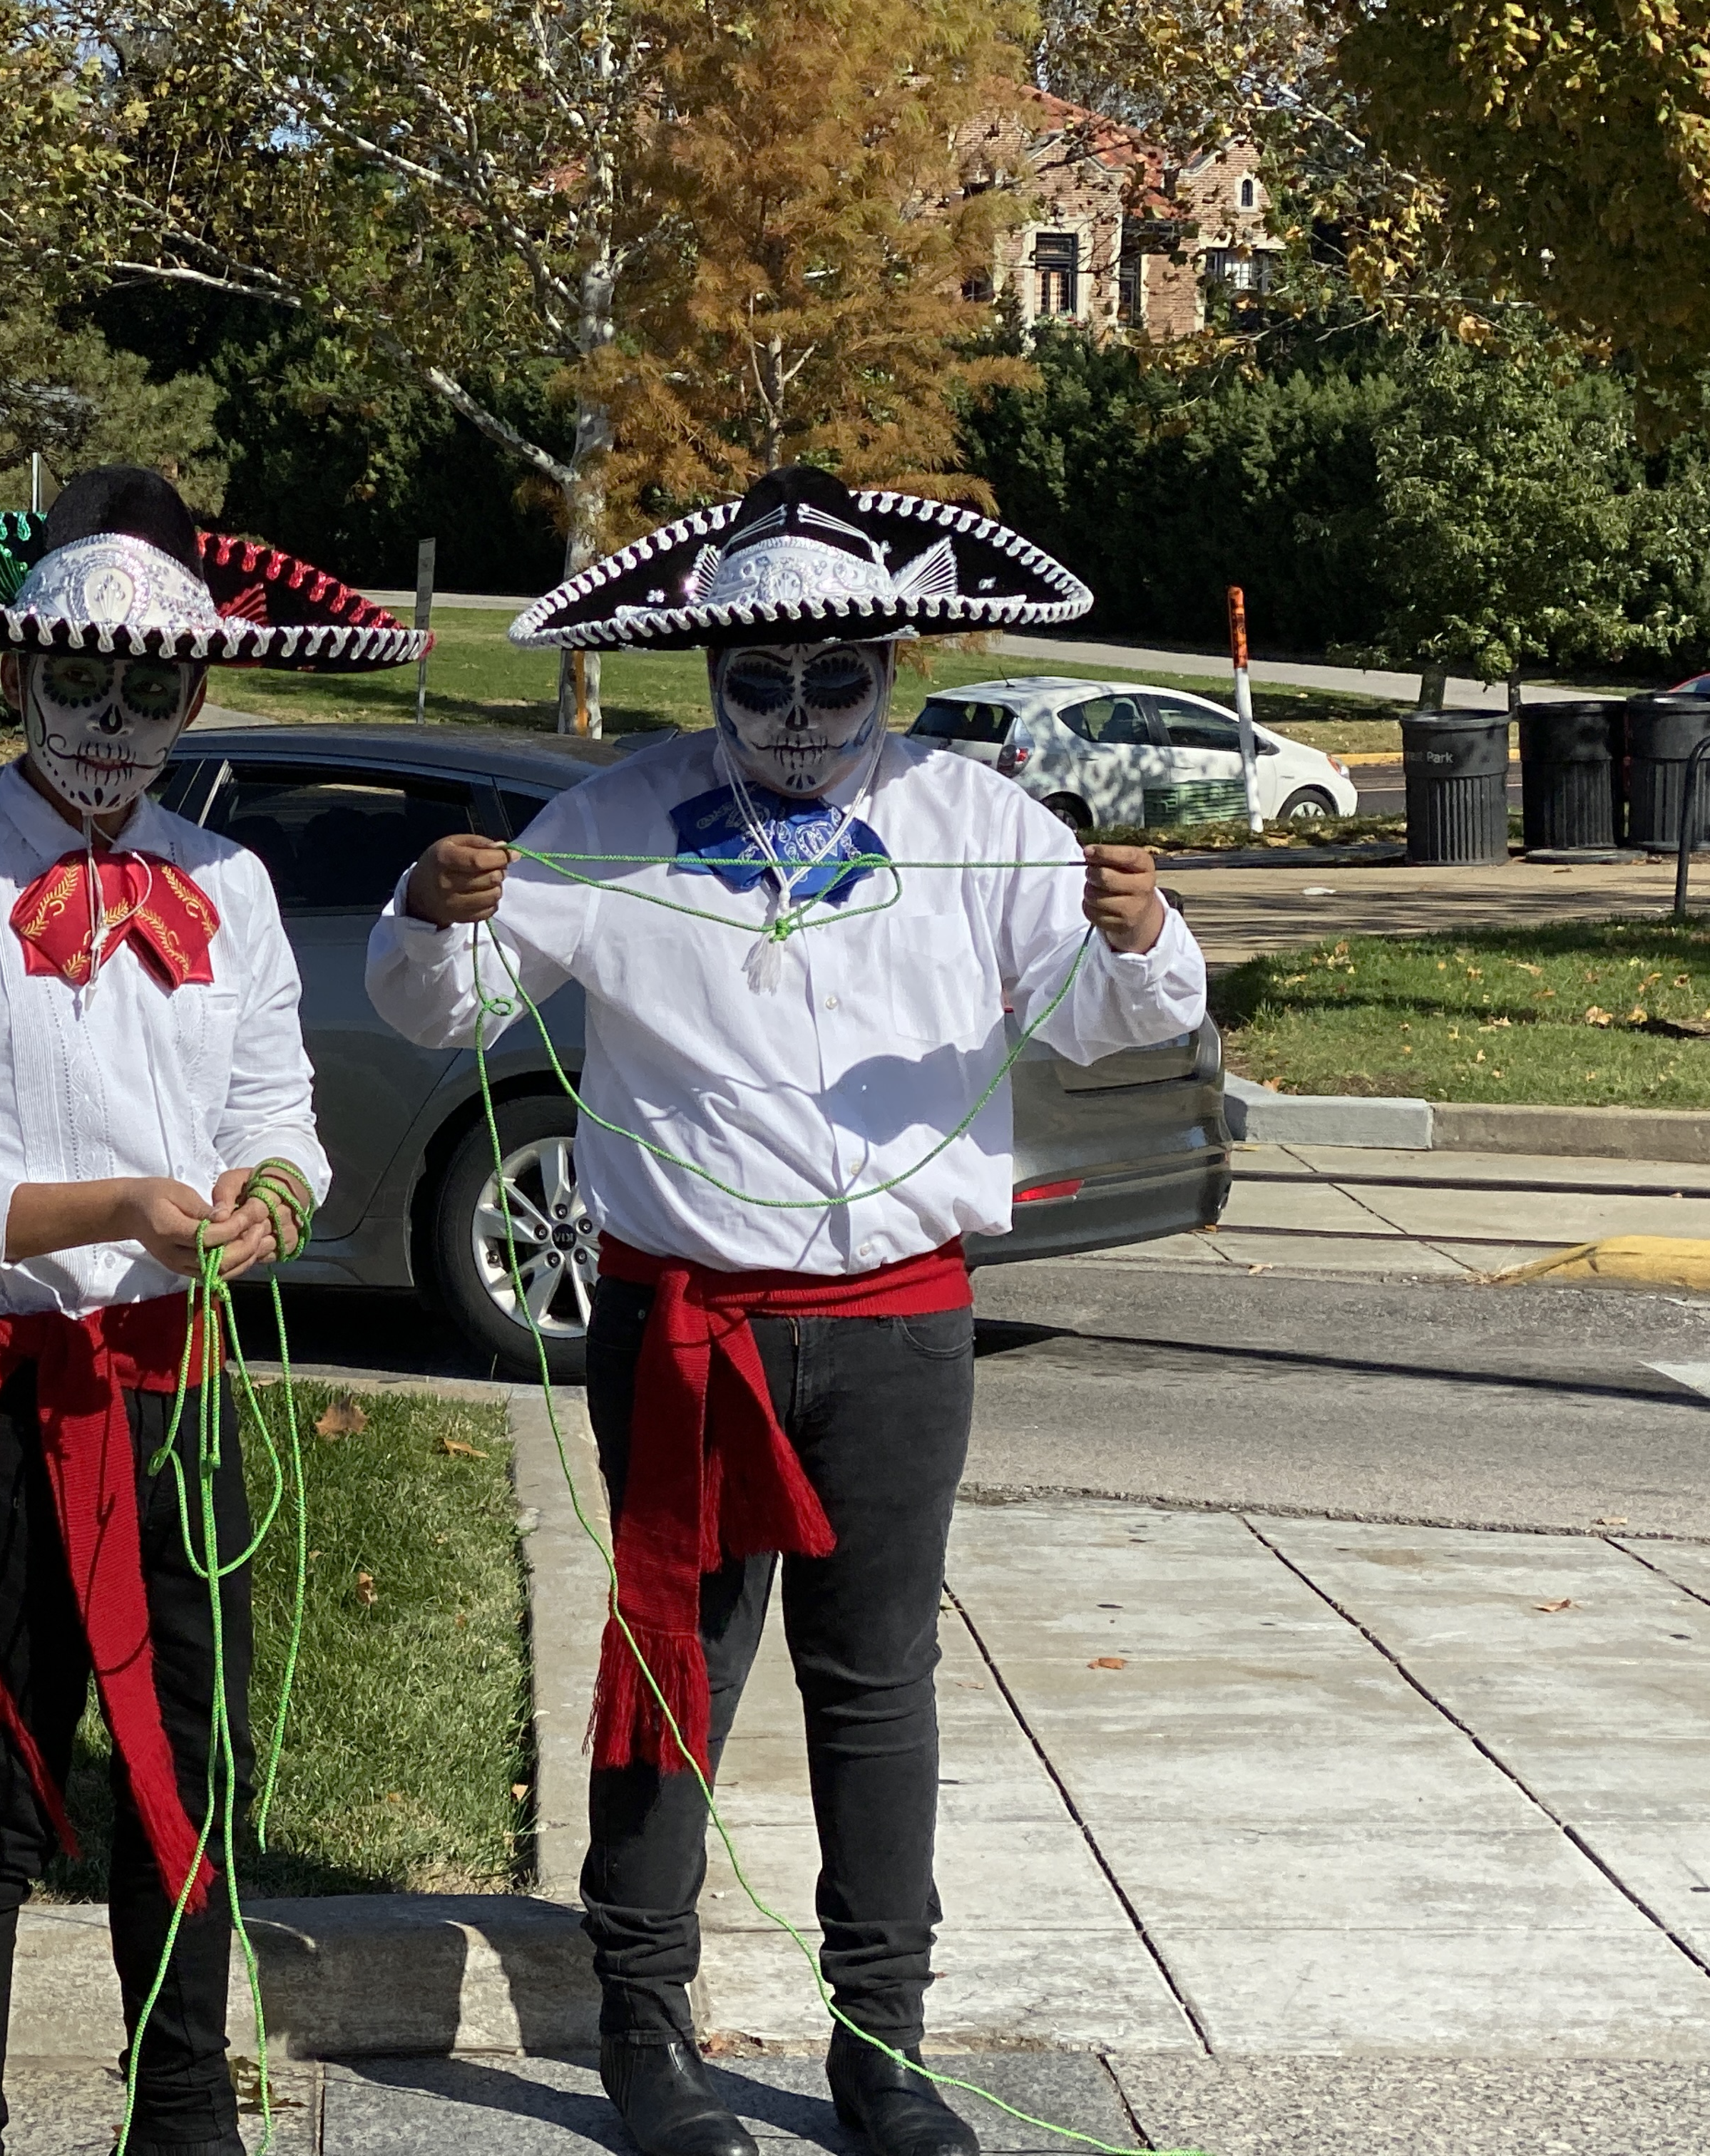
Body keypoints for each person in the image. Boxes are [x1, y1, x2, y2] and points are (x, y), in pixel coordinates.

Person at [367, 468, 1207, 2156]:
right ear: (708, 673)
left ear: (892, 667)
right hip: (687, 1322)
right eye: (765, 679)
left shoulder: (980, 824)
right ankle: (644, 2029)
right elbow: (442, 1009)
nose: (805, 712)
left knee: (878, 1677)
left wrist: (1142, 932)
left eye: (842, 676)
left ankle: (879, 2045)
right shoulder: (610, 823)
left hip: (900, 1323)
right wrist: (424, 913)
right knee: (677, 1659)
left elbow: (1105, 1021)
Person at [0, 466, 426, 2156]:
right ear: (13, 681)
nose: (115, 720)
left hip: (173, 1389)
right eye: (81, 680)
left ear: (198, 695)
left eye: (154, 688)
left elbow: (275, 1101)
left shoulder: (234, 883)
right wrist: (104, 1211)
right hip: (2, 1394)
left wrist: (274, 1193)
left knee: (185, 1762)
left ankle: (185, 2119)